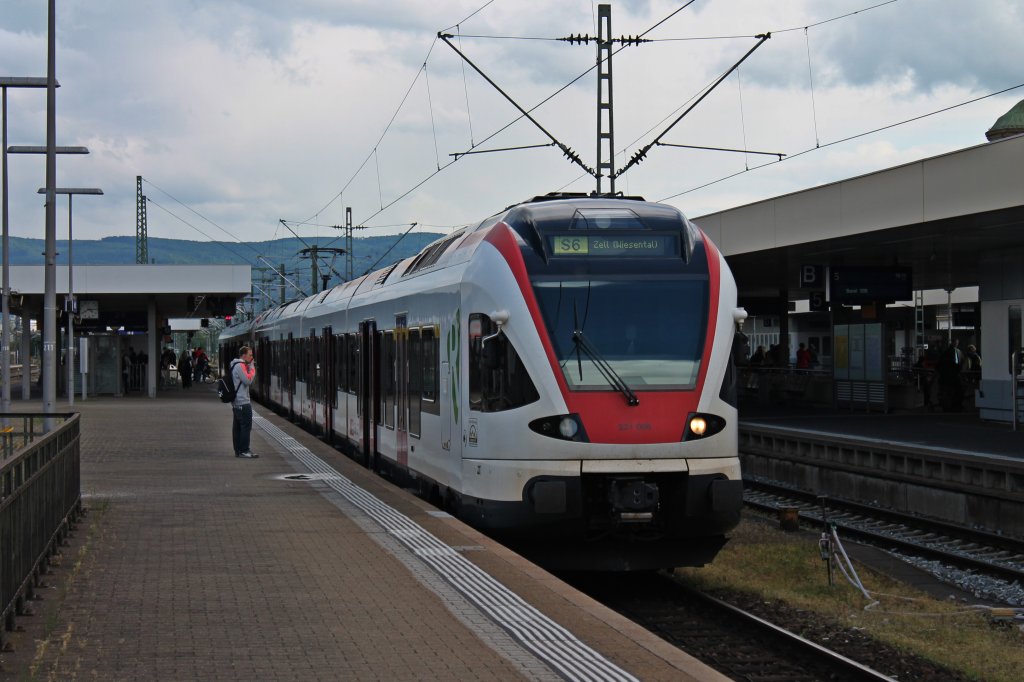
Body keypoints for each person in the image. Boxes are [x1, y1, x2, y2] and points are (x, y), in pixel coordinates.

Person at [231, 345, 258, 459]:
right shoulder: (240, 366)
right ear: (243, 355)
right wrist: (252, 369)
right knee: (246, 427)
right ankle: (244, 450)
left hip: (237, 402)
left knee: (237, 427)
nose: (252, 357)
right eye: (250, 355)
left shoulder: (235, 365)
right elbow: (248, 380)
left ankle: (238, 450)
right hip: (242, 402)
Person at [937, 339, 964, 411]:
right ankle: (951, 406)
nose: (956, 344)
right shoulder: (947, 353)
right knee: (950, 392)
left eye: (957, 343)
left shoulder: (958, 352)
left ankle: (953, 406)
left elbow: (961, 362)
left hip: (952, 376)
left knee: (953, 392)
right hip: (949, 376)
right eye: (955, 342)